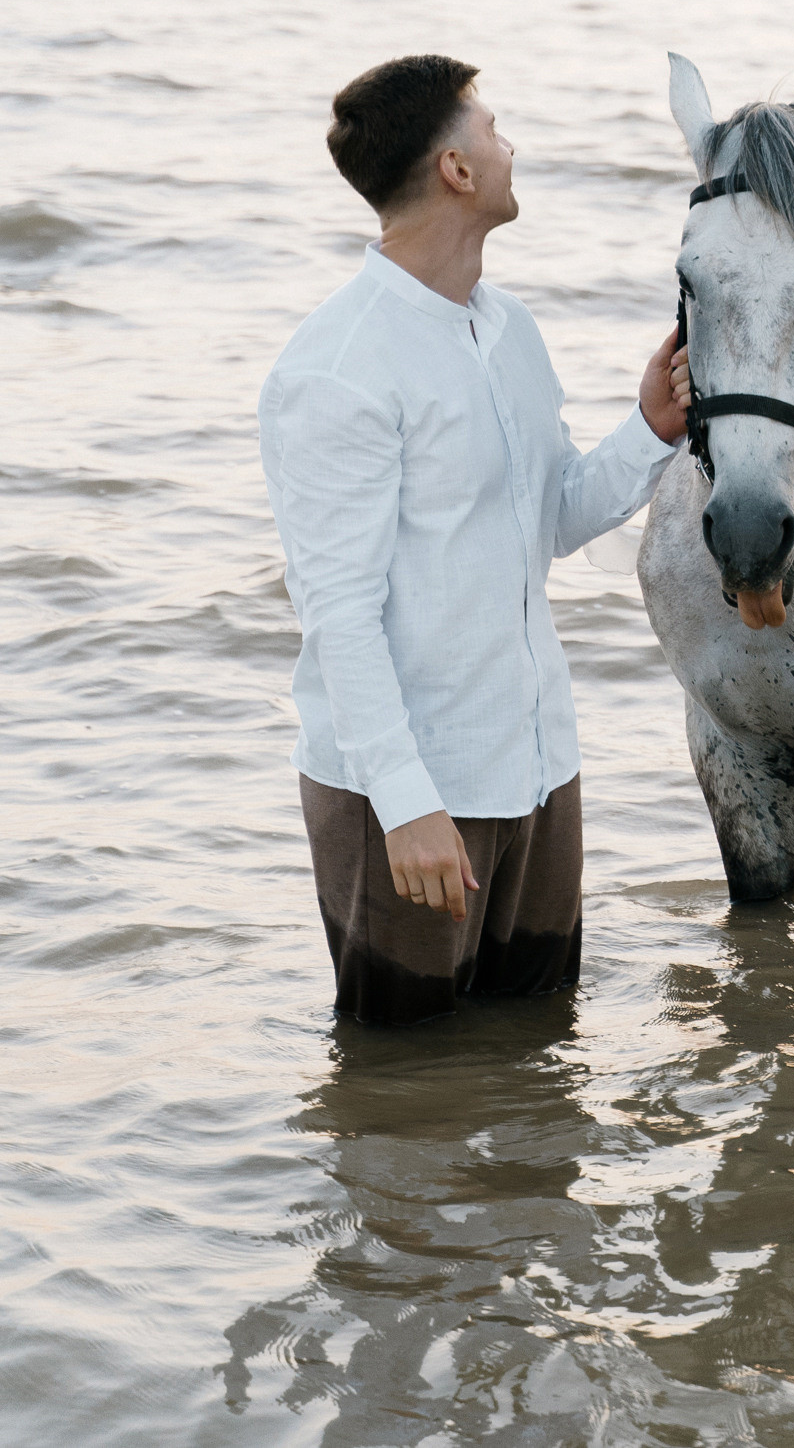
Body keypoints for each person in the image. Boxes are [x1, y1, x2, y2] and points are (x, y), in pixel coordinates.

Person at [258, 54, 693, 1030]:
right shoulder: (337, 369)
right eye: (491, 129)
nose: (509, 146)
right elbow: (340, 616)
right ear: (454, 169)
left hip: (535, 765)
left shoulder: (508, 330)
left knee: (538, 1057)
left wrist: (648, 433)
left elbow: (547, 519)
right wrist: (407, 804)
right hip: (409, 794)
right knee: (402, 1096)